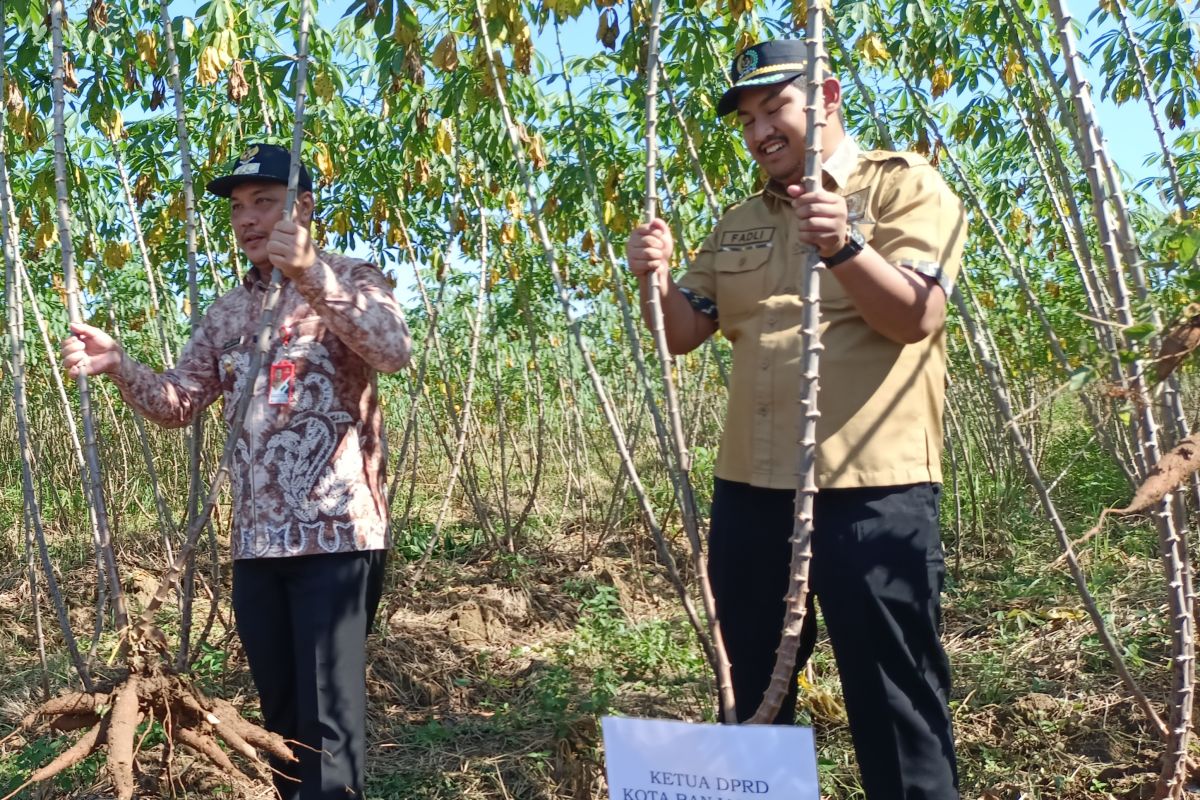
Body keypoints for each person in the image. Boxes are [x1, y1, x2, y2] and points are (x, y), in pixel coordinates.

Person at [626, 40, 966, 800]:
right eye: (747, 119)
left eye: (774, 106)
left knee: (895, 695)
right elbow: (680, 335)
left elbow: (917, 316)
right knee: (751, 690)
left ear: (829, 95)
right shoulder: (739, 220)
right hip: (750, 489)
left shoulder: (905, 187)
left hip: (874, 489)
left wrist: (843, 243)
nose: (760, 131)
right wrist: (652, 279)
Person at [62, 143, 412, 799]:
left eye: (266, 203)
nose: (248, 219)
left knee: (328, 730)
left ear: (302, 208)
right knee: (281, 729)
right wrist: (119, 365)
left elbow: (391, 351)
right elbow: (179, 404)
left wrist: (311, 274)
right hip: (256, 548)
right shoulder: (229, 312)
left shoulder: (355, 277)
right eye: (239, 208)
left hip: (336, 542)